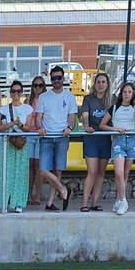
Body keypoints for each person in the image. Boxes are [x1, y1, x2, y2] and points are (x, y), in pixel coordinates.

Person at [31, 65, 77, 211]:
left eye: (59, 77)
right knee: (44, 170)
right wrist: (40, 128)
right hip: (47, 137)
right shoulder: (44, 97)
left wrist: (69, 128)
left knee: (58, 171)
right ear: (50, 79)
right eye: (53, 78)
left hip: (62, 137)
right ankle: (64, 190)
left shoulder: (69, 97)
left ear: (63, 78)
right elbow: (39, 117)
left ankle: (50, 202)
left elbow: (72, 117)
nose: (56, 80)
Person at [100, 82, 135, 215]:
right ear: (121, 93)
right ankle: (124, 200)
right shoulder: (114, 107)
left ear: (133, 94)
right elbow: (103, 125)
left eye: (130, 92)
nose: (127, 94)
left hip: (131, 140)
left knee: (125, 174)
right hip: (118, 140)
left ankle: (118, 200)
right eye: (125, 92)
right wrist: (115, 129)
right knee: (118, 173)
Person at [0, 80, 32, 213]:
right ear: (10, 93)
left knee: (20, 174)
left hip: (21, 143)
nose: (16, 94)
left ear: (21, 93)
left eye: (18, 91)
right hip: (7, 143)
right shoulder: (4, 109)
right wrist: (11, 124)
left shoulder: (27, 108)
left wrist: (20, 125)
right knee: (5, 173)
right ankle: (4, 201)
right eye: (13, 91)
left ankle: (18, 202)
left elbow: (29, 127)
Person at [79, 72, 111, 213]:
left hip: (106, 140)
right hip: (91, 139)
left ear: (107, 84)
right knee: (91, 171)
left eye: (103, 82)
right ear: (94, 84)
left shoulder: (112, 100)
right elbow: (85, 115)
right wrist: (86, 126)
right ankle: (85, 202)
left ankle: (95, 202)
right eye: (98, 82)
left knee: (100, 173)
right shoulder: (88, 99)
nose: (101, 84)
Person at [26, 76, 46, 207]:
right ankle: (28, 195)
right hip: (29, 134)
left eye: (40, 85)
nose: (37, 88)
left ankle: (38, 195)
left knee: (39, 166)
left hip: (41, 134)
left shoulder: (47, 99)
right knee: (29, 165)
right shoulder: (28, 101)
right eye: (35, 85)